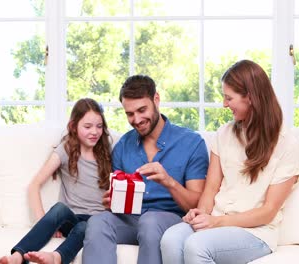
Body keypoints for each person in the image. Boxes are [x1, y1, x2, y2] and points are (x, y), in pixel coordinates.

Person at [160, 60, 299, 264]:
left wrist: (217, 222)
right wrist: (201, 213)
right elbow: (210, 189)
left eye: (229, 98)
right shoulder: (224, 134)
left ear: (251, 98)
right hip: (217, 219)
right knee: (171, 239)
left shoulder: (287, 144)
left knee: (197, 245)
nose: (224, 104)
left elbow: (268, 211)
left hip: (255, 232)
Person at [82, 75, 209, 264]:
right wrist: (113, 201)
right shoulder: (123, 146)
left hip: (170, 220)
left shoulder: (191, 143)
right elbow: (117, 203)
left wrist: (169, 182)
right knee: (98, 222)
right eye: (130, 114)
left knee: (150, 221)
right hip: (131, 220)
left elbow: (197, 204)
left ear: (156, 99)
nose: (137, 119)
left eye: (142, 110)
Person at [0, 98, 112, 264]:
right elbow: (34, 185)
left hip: (97, 222)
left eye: (99, 126)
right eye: (87, 126)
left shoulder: (107, 152)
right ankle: (18, 256)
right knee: (59, 209)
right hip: (72, 217)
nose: (95, 132)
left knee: (86, 227)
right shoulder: (66, 150)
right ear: (73, 126)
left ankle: (57, 258)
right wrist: (45, 223)